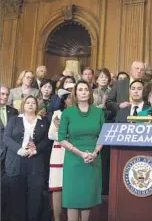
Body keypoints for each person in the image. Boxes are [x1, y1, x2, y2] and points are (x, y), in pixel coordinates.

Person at [58, 80, 104, 221]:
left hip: (92, 159)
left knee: (87, 198)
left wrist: (94, 153)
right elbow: (61, 138)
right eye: (80, 90)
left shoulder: (98, 112)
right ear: (75, 93)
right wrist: (81, 153)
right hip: (73, 159)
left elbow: (103, 136)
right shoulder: (67, 113)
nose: (83, 92)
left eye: (86, 89)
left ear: (90, 93)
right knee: (73, 197)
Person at [4, 95, 50, 221]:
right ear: (23, 105)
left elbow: (47, 140)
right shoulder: (14, 120)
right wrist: (19, 150)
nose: (30, 105)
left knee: (35, 197)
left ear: (37, 106)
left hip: (36, 162)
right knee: (17, 196)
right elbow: (6, 138)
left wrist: (36, 150)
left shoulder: (43, 121)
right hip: (16, 161)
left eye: (33, 103)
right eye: (28, 102)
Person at [48, 88, 73, 221]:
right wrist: (68, 135)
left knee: (73, 188)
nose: (71, 100)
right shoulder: (58, 114)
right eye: (69, 97)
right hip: (59, 153)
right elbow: (51, 134)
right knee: (57, 188)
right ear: (64, 101)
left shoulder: (82, 114)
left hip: (75, 155)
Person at [0, 86, 18, 221]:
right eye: (2, 94)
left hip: (10, 155)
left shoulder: (13, 111)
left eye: (7, 94)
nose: (5, 97)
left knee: (6, 187)